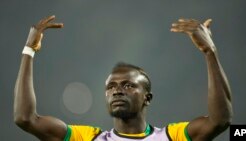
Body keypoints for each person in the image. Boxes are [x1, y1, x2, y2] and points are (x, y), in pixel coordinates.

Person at [14, 15, 233, 141]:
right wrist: (28, 50)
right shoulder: (87, 138)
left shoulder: (172, 136)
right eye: (110, 87)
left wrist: (209, 52)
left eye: (128, 85)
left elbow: (219, 121)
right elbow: (25, 118)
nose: (116, 91)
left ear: (147, 97)